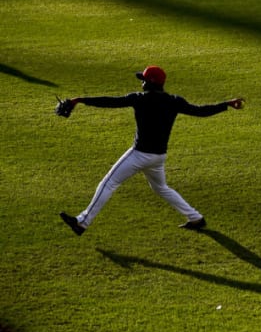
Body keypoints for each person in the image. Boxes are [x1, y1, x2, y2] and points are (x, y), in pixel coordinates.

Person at [60, 65, 245, 236]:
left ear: (151, 82)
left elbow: (110, 102)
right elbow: (200, 111)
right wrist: (226, 104)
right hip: (158, 157)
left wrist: (80, 100)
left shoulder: (139, 99)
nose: (141, 82)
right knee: (161, 188)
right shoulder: (174, 101)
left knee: (108, 183)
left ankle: (81, 222)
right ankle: (196, 218)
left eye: (144, 80)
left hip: (139, 155)